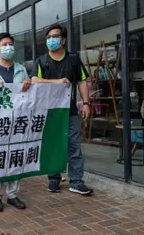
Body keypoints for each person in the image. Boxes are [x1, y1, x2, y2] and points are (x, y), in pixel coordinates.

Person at [31, 24, 93, 195]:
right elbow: (35, 80)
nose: (51, 40)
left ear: (63, 40)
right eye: (48, 37)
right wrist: (56, 82)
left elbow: (82, 82)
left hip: (70, 111)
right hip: (49, 111)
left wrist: (86, 103)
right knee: (53, 145)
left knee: (74, 146)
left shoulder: (73, 59)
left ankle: (76, 181)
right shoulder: (41, 60)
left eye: (55, 37)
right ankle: (53, 178)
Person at [0, 32, 30, 212]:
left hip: (17, 120)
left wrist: (28, 82)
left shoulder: (21, 69)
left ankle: (13, 194)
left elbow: (27, 92)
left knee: (16, 156)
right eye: (4, 44)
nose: (8, 47)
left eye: (11, 43)